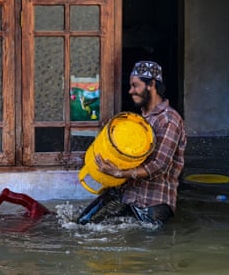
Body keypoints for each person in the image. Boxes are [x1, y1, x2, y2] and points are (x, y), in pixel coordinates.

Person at [77, 60, 187, 230]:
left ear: (151, 84)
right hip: (126, 195)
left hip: (152, 202)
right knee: (81, 225)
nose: (130, 91)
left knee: (141, 250)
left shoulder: (169, 119)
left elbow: (160, 165)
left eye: (135, 86)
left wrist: (120, 173)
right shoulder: (138, 122)